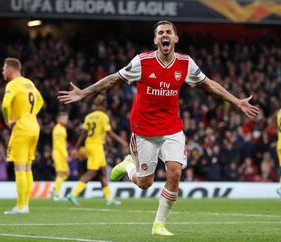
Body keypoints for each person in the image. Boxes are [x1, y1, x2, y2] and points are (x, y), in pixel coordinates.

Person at [58, 21, 259, 235]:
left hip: (172, 128)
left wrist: (236, 101)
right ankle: (127, 166)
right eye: (161, 33)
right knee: (145, 183)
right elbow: (113, 79)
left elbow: (210, 85)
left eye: (168, 32)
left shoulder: (185, 63)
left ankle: (159, 225)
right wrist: (84, 93)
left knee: (175, 171)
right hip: (143, 129)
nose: (165, 35)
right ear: (156, 40)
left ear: (175, 38)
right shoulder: (142, 62)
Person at [66, 94, 128, 206]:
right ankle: (73, 194)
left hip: (89, 146)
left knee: (102, 172)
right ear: (104, 104)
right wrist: (122, 142)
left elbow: (83, 134)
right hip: (97, 146)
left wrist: (77, 147)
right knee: (91, 173)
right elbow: (110, 133)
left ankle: (109, 198)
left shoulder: (89, 117)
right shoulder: (103, 116)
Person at [1, 57, 44, 214]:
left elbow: (5, 105)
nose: (3, 71)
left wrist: (8, 120)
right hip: (34, 128)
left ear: (11, 70)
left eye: (4, 68)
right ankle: (25, 205)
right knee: (27, 167)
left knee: (19, 168)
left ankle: (21, 206)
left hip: (21, 129)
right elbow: (40, 100)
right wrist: (30, 114)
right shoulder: (29, 83)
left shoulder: (12, 84)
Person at [51, 112, 69, 201]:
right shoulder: (58, 129)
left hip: (61, 153)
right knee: (61, 173)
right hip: (58, 154)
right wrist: (65, 155)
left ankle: (54, 189)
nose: (66, 120)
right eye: (64, 119)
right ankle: (56, 195)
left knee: (66, 173)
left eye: (66, 119)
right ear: (59, 119)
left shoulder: (62, 129)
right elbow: (59, 145)